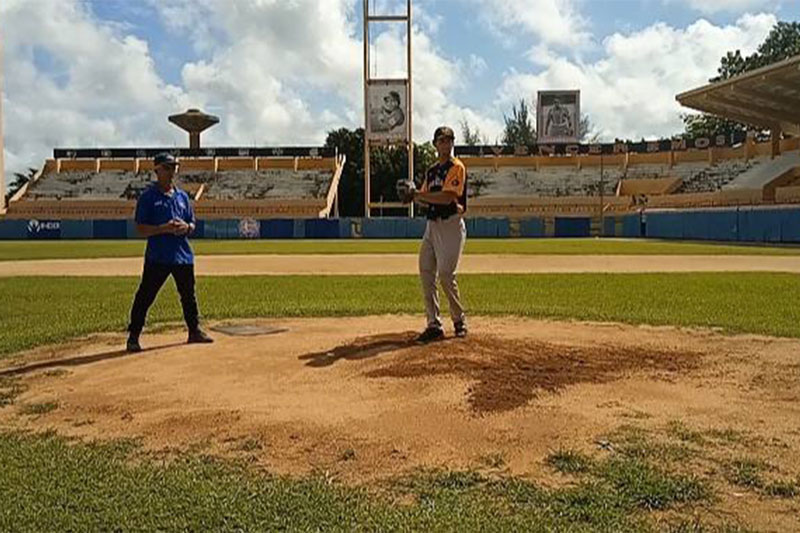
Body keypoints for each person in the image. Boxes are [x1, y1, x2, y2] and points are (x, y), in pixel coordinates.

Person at [126, 152, 213, 352]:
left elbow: (192, 223)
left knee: (188, 295)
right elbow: (140, 228)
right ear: (157, 170)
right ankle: (133, 336)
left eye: (174, 167)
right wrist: (162, 228)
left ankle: (194, 331)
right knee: (145, 296)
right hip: (158, 256)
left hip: (182, 255)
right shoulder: (148, 197)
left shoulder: (182, 197)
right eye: (167, 167)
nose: (172, 171)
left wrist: (187, 227)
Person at [409, 126, 468, 343]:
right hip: (432, 226)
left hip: (450, 225)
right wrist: (413, 196)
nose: (446, 144)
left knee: (445, 274)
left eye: (449, 140)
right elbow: (424, 196)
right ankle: (433, 324)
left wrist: (418, 194)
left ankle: (459, 320)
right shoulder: (432, 170)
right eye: (442, 140)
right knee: (426, 271)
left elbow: (447, 197)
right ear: (435, 144)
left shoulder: (456, 167)